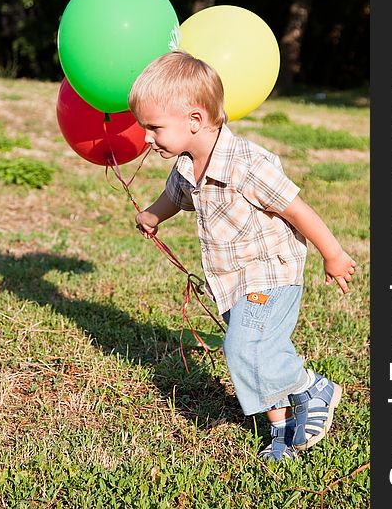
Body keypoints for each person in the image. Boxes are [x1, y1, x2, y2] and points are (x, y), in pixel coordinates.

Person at [128, 51, 356, 461]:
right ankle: (283, 429)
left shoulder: (247, 165)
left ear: (194, 121)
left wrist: (333, 253)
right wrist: (152, 214)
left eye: (153, 128)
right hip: (230, 283)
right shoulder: (185, 167)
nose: (146, 137)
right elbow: (174, 198)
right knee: (261, 350)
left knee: (244, 347)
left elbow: (296, 208)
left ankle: (311, 388)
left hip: (271, 274)